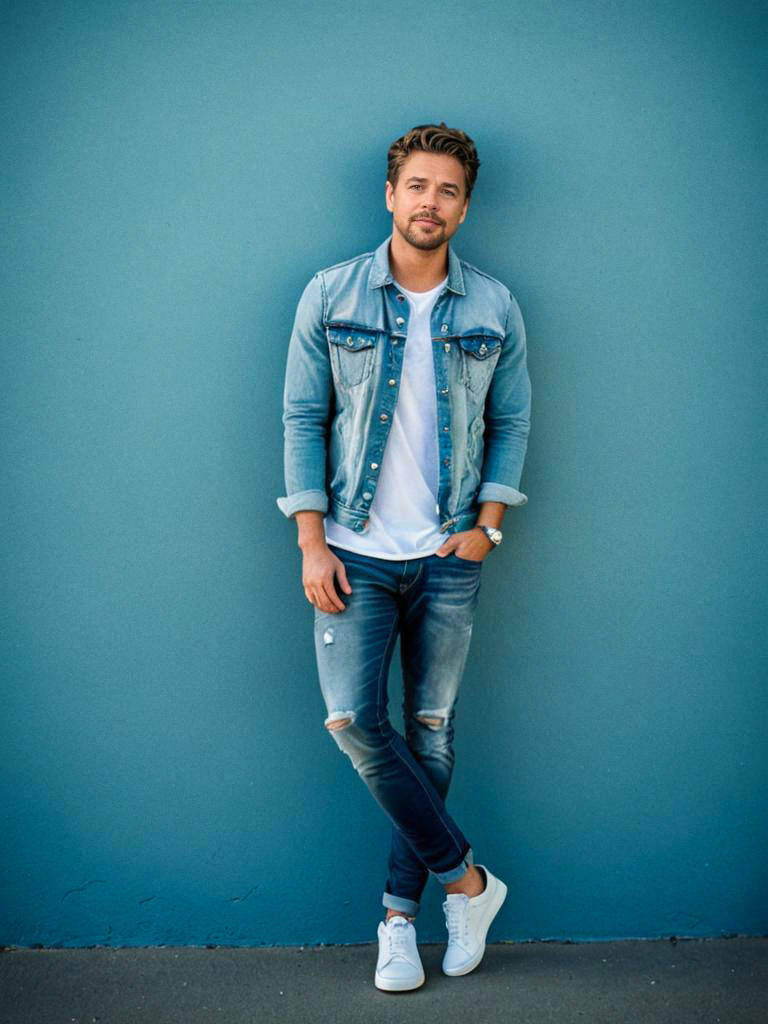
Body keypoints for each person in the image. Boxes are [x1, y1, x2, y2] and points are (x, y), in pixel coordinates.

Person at [276, 123, 531, 991]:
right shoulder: (331, 293)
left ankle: (398, 919)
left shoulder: (493, 306)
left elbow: (513, 422)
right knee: (354, 721)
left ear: (465, 204)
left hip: (451, 551)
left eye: (449, 189)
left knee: (431, 731)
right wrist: (311, 539)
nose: (432, 202)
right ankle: (468, 880)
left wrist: (486, 527)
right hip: (352, 551)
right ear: (391, 194)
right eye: (417, 185)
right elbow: (301, 419)